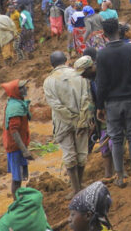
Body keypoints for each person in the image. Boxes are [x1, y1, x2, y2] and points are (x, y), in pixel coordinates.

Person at [94, 18, 131, 188]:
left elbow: (101, 83)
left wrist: (99, 106)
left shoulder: (102, 54)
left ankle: (120, 176)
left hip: (112, 103)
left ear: (104, 34)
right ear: (119, 30)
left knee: (116, 138)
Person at [43, 51, 93, 194]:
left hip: (62, 122)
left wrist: (70, 117)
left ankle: (75, 189)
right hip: (81, 120)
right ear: (66, 60)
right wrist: (80, 119)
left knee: (69, 155)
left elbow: (55, 105)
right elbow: (86, 98)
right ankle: (80, 184)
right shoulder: (79, 75)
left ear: (51, 64)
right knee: (82, 153)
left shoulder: (49, 81)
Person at [1, 79, 32, 195]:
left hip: (17, 146)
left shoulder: (17, 103)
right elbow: (14, 131)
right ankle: (16, 201)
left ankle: (17, 199)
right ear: (15, 91)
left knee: (18, 176)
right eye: (21, 88)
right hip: (15, 147)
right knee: (17, 178)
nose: (25, 89)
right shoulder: (15, 108)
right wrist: (24, 150)